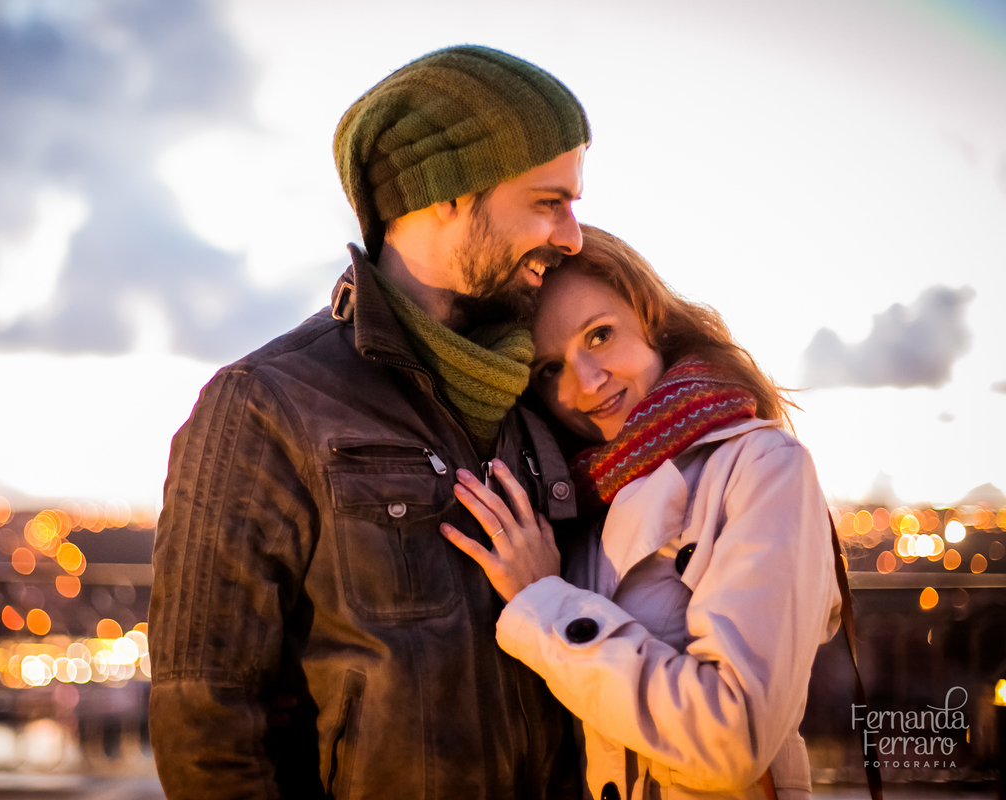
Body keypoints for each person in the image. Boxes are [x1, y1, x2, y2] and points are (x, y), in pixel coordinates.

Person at [148, 46, 593, 799]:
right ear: (448, 193)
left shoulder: (538, 394)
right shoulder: (267, 403)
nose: (573, 236)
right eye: (549, 202)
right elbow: (206, 725)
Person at [441, 226, 843, 800]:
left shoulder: (762, 467)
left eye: (600, 335)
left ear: (650, 318)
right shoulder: (579, 497)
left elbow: (733, 737)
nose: (586, 383)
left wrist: (543, 600)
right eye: (550, 369)